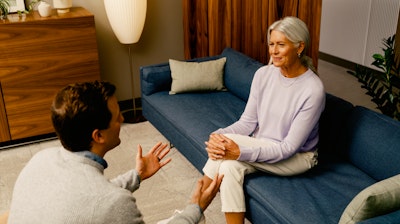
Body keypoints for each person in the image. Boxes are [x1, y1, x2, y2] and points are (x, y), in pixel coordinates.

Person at [7, 81, 223, 224]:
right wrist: (196, 208)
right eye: (117, 116)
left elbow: (88, 200)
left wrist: (136, 175)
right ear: (98, 136)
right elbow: (103, 202)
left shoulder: (41, 159)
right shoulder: (114, 203)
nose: (122, 120)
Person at [200, 16, 326, 224]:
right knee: (228, 167)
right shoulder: (263, 75)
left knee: (228, 152)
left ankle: (191, 210)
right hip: (263, 143)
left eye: (281, 45)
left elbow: (288, 148)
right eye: (271, 44)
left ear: (299, 47)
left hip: (297, 157)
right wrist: (218, 135)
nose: (273, 51)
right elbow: (248, 122)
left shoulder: (313, 90)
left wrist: (240, 150)